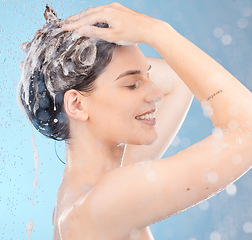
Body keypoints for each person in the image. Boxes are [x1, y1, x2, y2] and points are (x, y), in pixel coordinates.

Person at [17, 3, 252, 240]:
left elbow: (178, 82)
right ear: (77, 104)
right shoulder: (105, 202)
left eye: (148, 76)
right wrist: (156, 31)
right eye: (132, 85)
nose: (156, 94)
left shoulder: (82, 194)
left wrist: (59, 70)